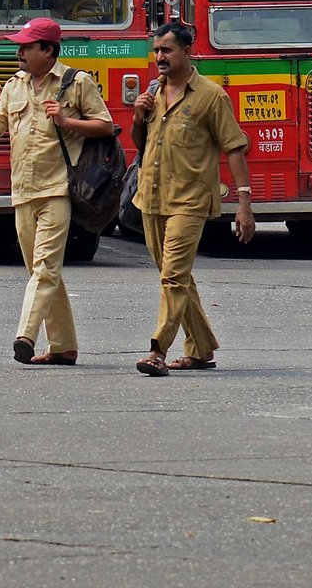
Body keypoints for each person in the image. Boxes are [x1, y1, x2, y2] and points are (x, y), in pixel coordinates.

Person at [0, 16, 113, 365]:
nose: (19, 52)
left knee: (45, 268)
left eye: (26, 46)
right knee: (42, 272)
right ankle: (63, 346)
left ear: (48, 50)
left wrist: (67, 122)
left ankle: (25, 334)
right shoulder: (13, 85)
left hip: (58, 189)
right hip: (23, 190)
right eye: (19, 45)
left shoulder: (76, 82)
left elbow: (106, 126)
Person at [130, 22, 256, 377]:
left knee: (173, 276)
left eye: (166, 51)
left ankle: (157, 349)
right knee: (177, 277)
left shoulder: (211, 96)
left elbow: (234, 148)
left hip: (190, 199)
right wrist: (138, 115)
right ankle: (200, 349)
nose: (159, 58)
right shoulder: (154, 93)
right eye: (156, 51)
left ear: (187, 52)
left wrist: (244, 204)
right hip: (151, 197)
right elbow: (141, 144)